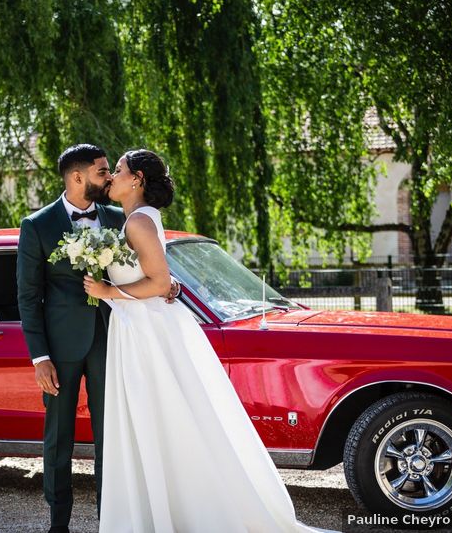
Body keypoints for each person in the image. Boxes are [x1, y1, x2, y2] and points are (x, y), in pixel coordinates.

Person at [83, 150, 323, 533]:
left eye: (120, 169)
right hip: (138, 327)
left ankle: (178, 512)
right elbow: (160, 279)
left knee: (163, 417)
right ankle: (161, 508)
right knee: (157, 418)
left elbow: (160, 284)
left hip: (147, 332)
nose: (112, 175)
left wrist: (107, 290)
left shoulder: (138, 223)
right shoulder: (136, 219)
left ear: (138, 179)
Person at [16, 144, 180, 533]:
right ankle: (59, 523)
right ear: (78, 177)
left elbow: (149, 263)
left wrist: (169, 284)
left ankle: (112, 520)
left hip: (115, 340)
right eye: (102, 172)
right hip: (60, 348)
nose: (109, 178)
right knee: (59, 437)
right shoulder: (37, 225)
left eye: (112, 171)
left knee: (114, 435)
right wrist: (39, 357)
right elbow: (27, 296)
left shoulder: (118, 216)